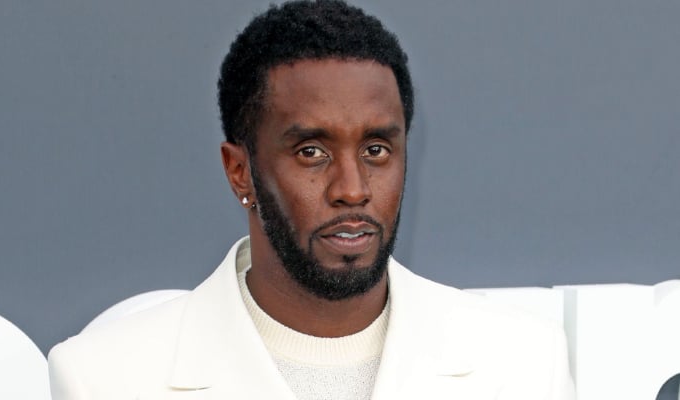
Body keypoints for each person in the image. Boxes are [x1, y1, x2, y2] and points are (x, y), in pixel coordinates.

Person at [48, 1, 576, 399]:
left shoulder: (523, 365)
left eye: (376, 149)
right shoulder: (106, 378)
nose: (353, 188)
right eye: (311, 152)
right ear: (240, 172)